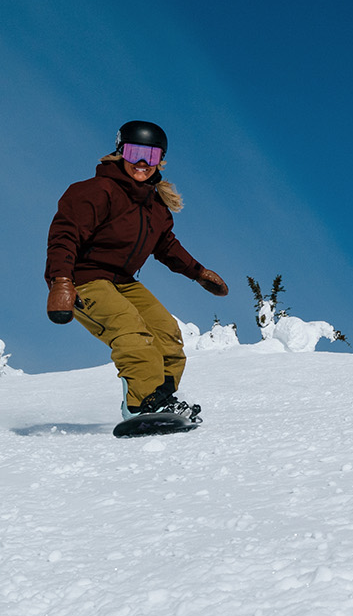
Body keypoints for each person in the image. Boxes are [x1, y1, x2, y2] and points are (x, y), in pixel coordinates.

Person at [45, 120, 229, 418]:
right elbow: (65, 234)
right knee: (131, 330)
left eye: (152, 157)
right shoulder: (95, 191)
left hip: (123, 282)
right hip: (85, 278)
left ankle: (162, 400)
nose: (142, 163)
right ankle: (141, 405)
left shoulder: (155, 207)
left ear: (161, 162)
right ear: (120, 153)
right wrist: (62, 281)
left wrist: (198, 272)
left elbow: (167, 247)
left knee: (167, 334)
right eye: (134, 153)